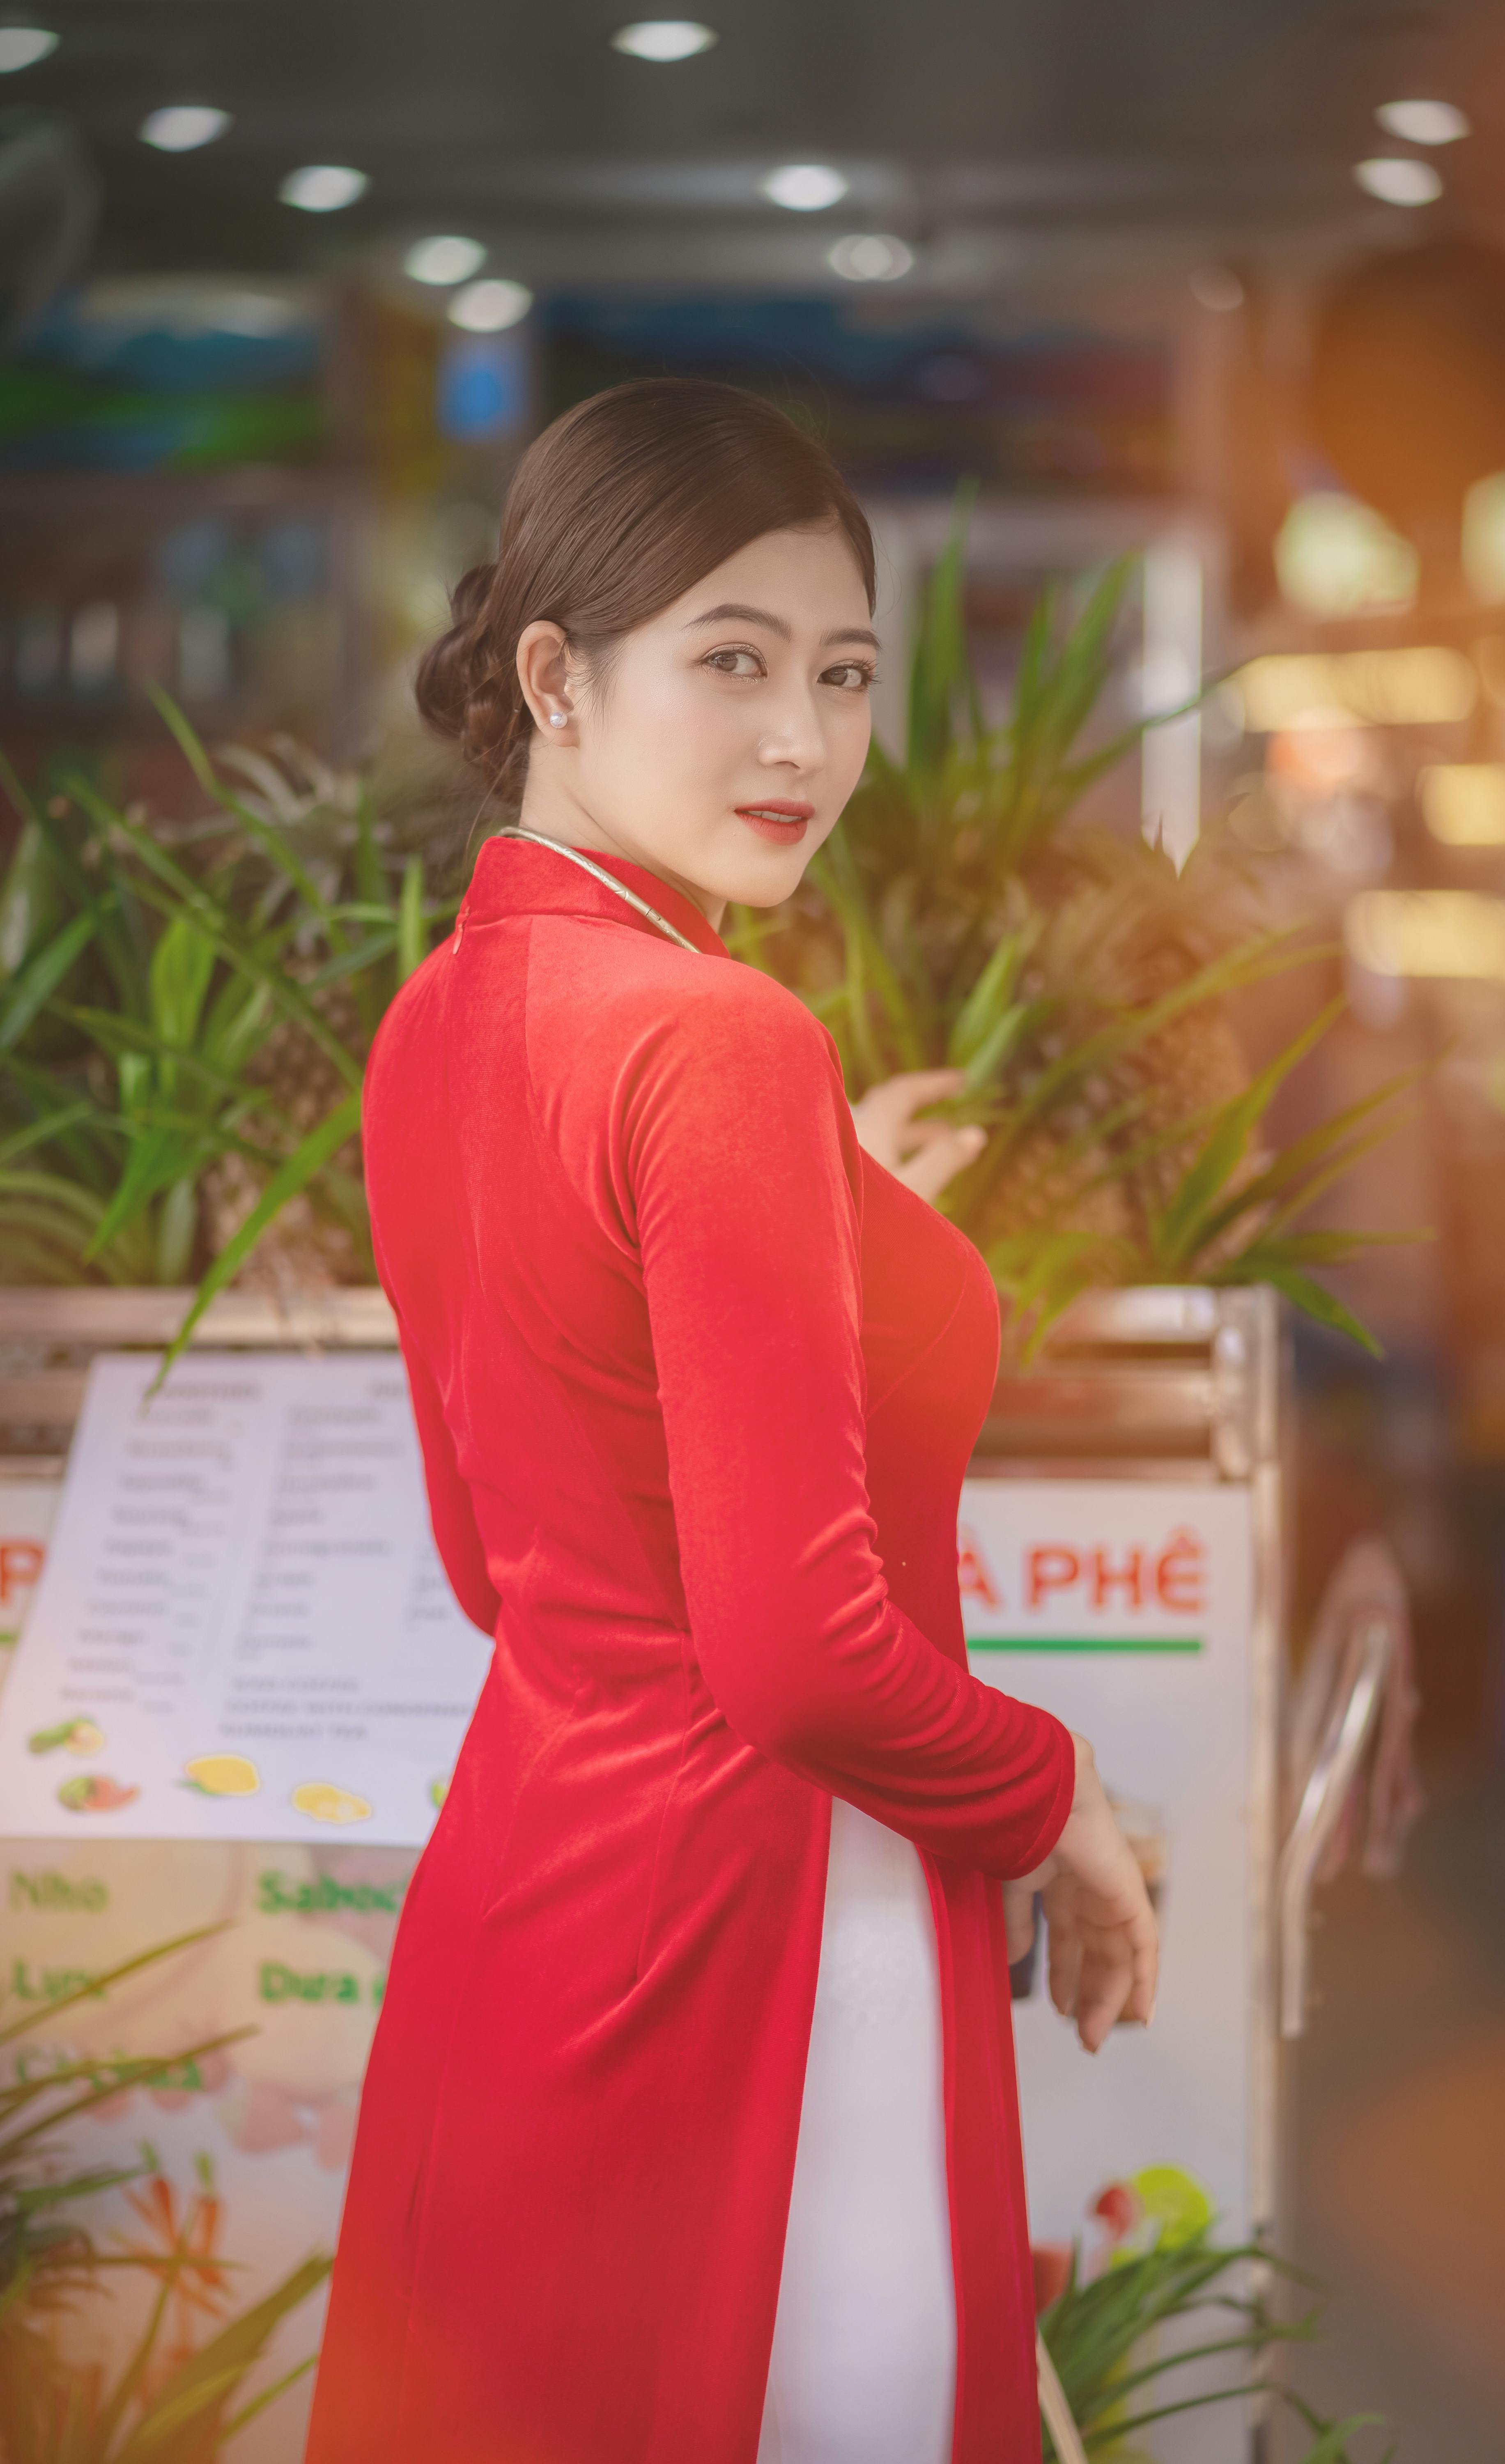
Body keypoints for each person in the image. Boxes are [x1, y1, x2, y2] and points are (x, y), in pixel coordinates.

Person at [304, 377, 1157, 2464]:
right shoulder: (716, 1041)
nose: (804, 741)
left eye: (845, 675)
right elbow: (795, 1660)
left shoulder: (440, 1020)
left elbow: (501, 1561)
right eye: (734, 662)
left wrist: (833, 1213)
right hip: (779, 1952)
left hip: (532, 1914)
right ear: (553, 675)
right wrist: (1061, 1802)